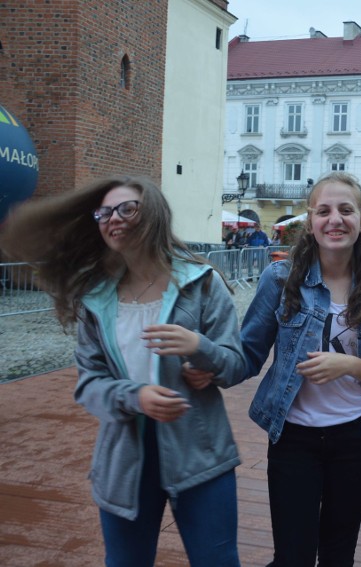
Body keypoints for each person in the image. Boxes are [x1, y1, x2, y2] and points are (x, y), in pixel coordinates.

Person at [0, 175, 245, 566]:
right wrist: (137, 397)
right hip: (124, 460)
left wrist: (201, 350)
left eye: (127, 208)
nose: (113, 218)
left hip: (200, 453)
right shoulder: (95, 297)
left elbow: (236, 365)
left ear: (155, 215)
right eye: (104, 212)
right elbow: (89, 385)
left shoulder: (201, 282)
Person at [238, 172, 361, 567]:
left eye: (346, 210)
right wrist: (199, 355)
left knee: (337, 555)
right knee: (292, 556)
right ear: (310, 222)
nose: (335, 219)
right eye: (323, 211)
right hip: (294, 438)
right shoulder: (280, 278)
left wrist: (349, 364)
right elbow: (246, 354)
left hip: (358, 438)